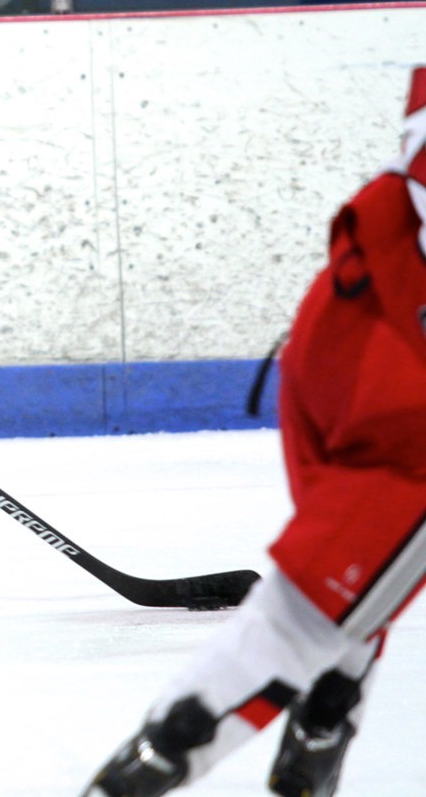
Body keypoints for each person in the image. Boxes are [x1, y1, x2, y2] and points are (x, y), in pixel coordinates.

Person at [83, 67, 426, 795]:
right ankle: (151, 768)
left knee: (351, 584)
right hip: (395, 375)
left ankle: (322, 721)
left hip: (349, 320)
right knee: (316, 606)